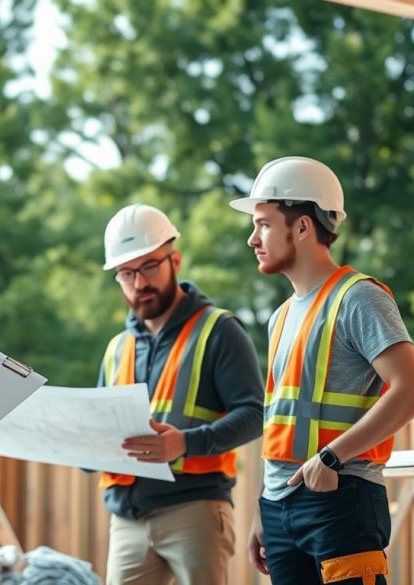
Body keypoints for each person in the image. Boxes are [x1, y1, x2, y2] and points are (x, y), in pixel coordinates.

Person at [229, 156, 414, 585]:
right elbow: (281, 422)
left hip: (341, 497)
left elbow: (412, 391)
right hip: (281, 507)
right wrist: (266, 505)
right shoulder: (280, 317)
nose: (253, 238)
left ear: (302, 227)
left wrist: (331, 456)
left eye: (264, 223)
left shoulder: (359, 298)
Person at [97, 203, 264, 585]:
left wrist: (185, 444)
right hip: (126, 519)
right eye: (127, 273)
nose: (140, 283)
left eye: (150, 266)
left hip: (195, 510)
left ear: (176, 260)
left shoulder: (219, 330)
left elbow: (254, 414)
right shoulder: (116, 348)